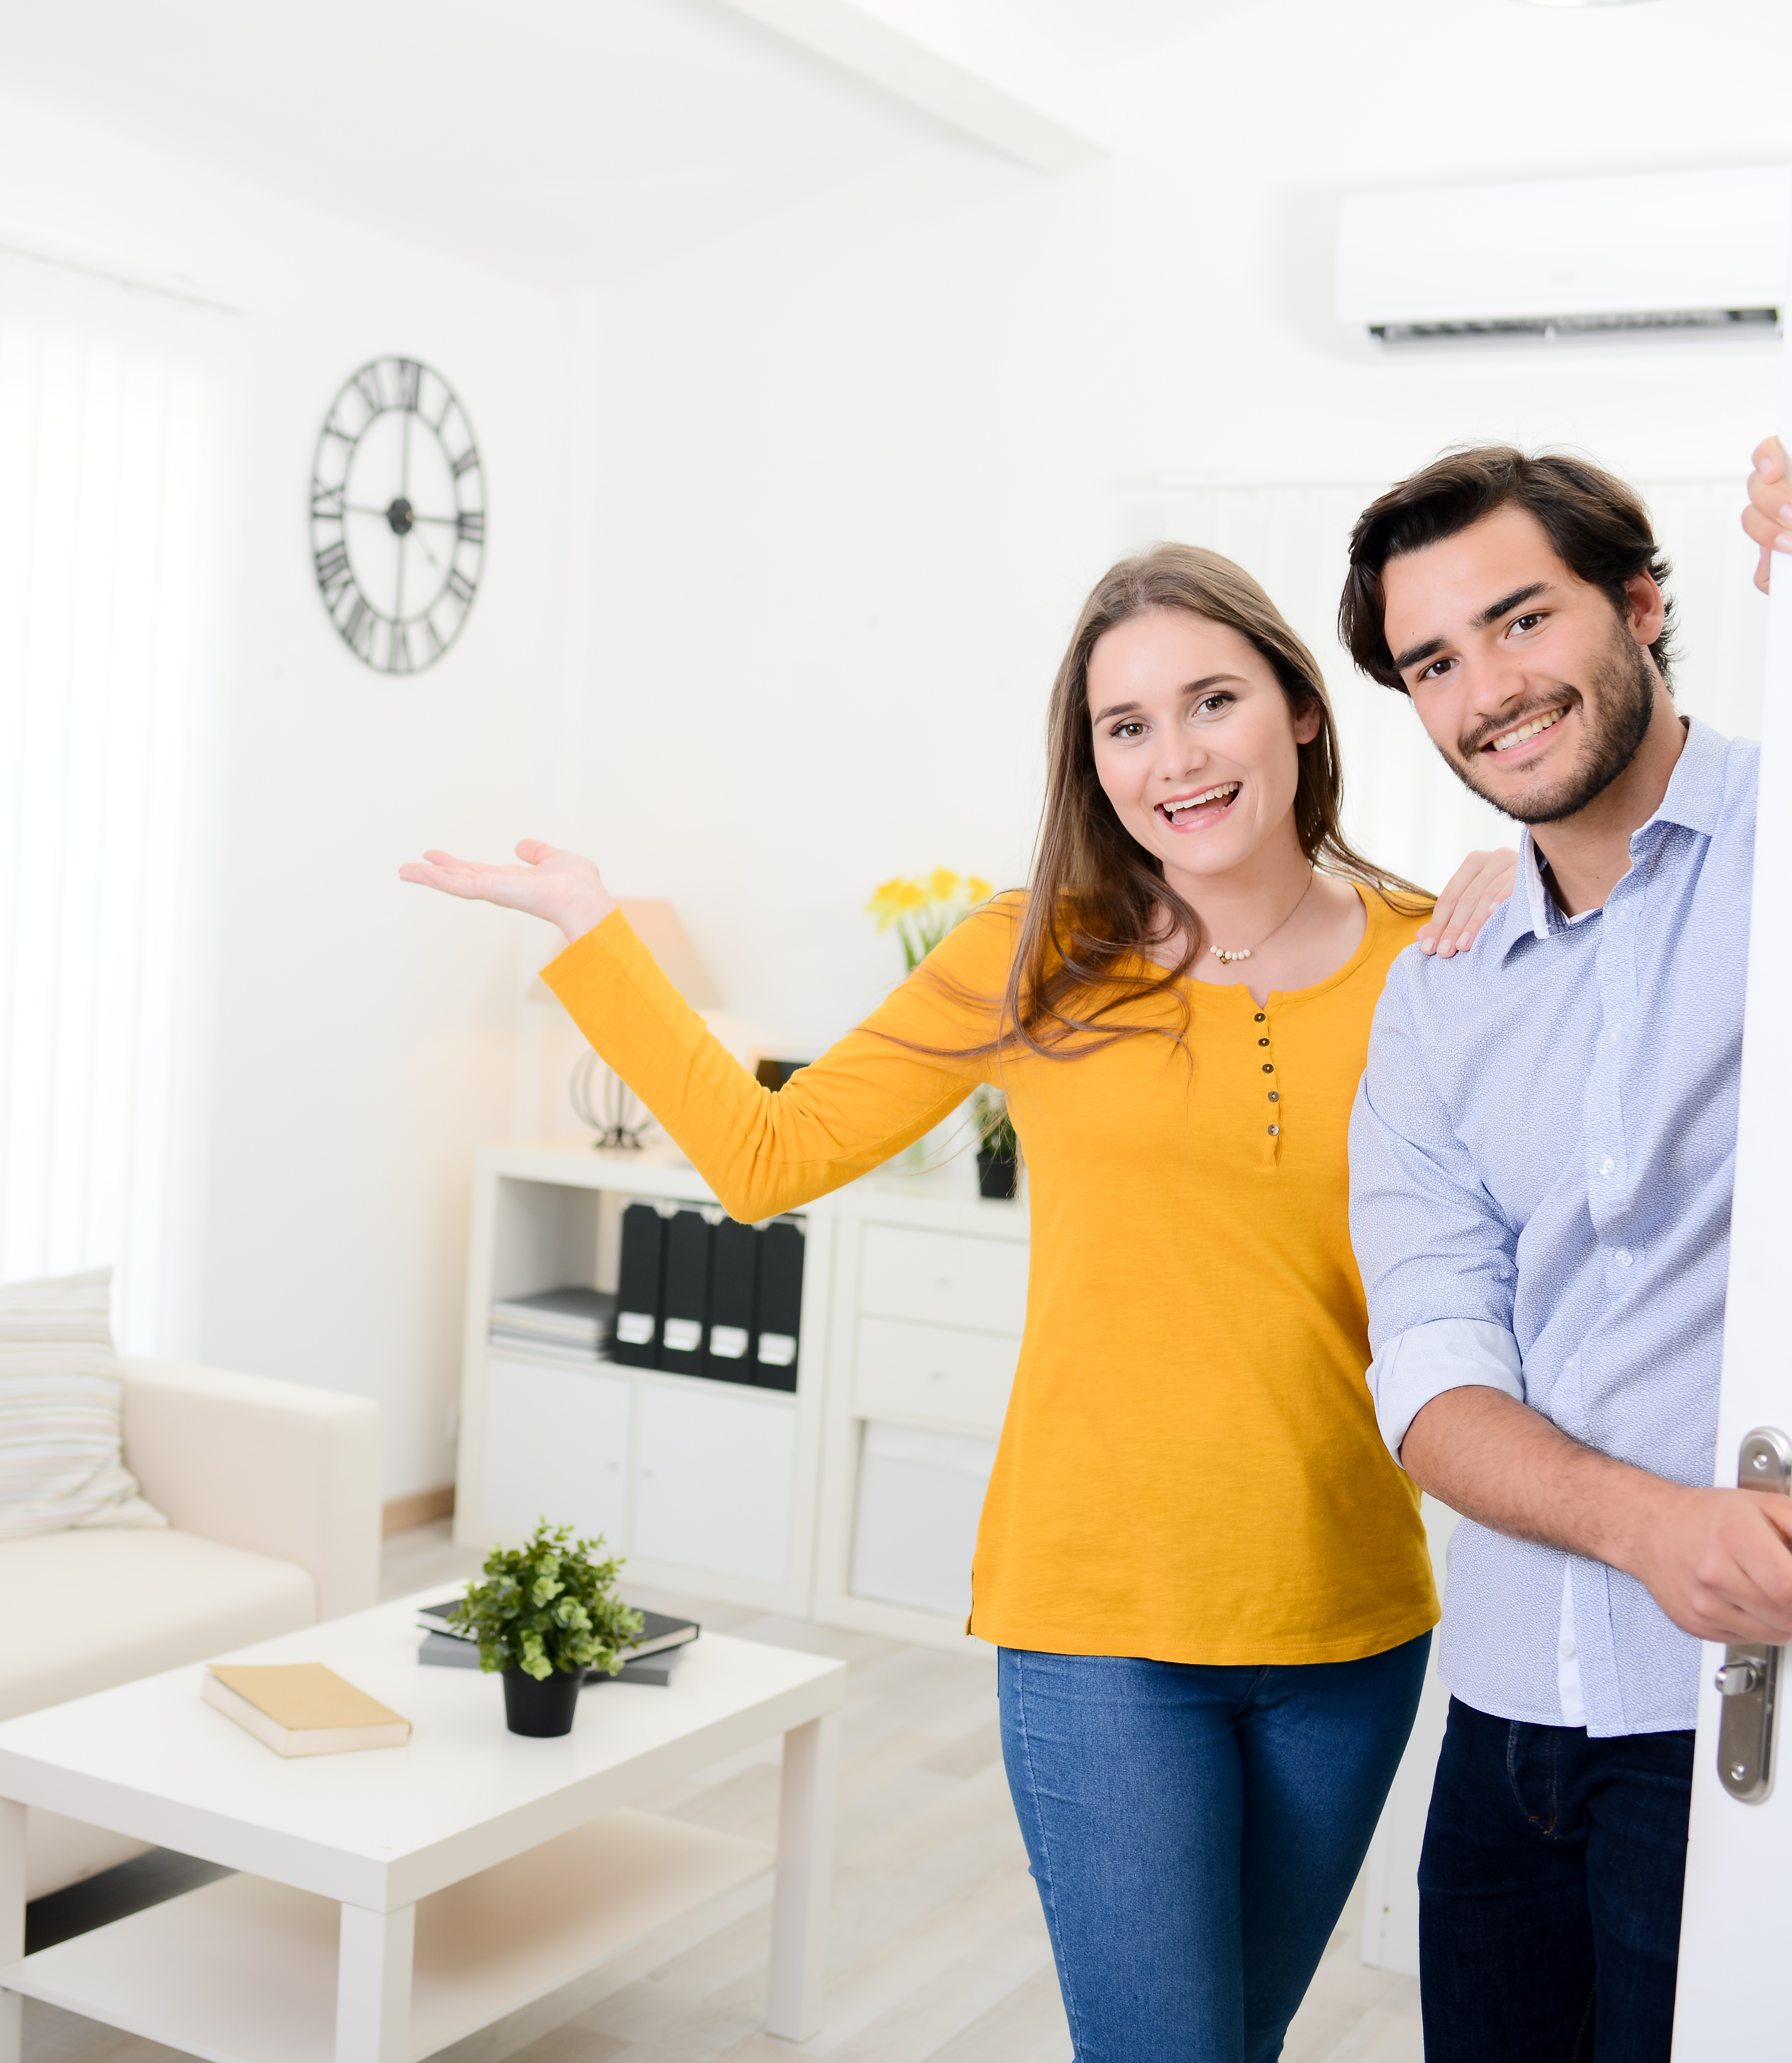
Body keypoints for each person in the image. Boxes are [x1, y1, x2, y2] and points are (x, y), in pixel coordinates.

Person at [404, 542, 1519, 2063]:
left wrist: (1548, 873)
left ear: (1302, 714)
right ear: (1091, 760)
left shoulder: (1436, 955)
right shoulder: (1031, 949)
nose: (1176, 759)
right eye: (1126, 727)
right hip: (1100, 1618)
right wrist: (595, 935)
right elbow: (765, 1155)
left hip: (1352, 1623)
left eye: (1212, 703)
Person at [1337, 440, 1792, 2063]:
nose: (1486, 690)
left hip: (1749, 1707)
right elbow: (1428, 1364)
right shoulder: (1442, 984)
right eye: (1435, 663)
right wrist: (1646, 1526)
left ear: (1641, 604)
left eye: (1521, 621)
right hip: (1501, 1718)